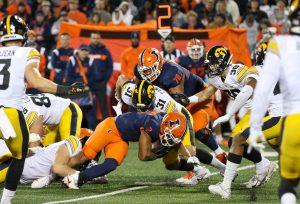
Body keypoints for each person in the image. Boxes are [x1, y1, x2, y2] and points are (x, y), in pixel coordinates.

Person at [0, 15, 84, 204]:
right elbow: (36, 81)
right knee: (19, 156)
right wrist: (66, 89)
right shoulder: (28, 52)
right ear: (23, 33)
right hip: (10, 113)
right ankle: (5, 201)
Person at [186, 45, 278, 198]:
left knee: (238, 141)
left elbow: (248, 88)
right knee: (235, 142)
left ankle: (229, 185)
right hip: (252, 111)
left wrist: (229, 114)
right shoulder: (215, 77)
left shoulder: (238, 70)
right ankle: (263, 166)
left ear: (223, 62)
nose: (211, 66)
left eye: (214, 62)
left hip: (263, 109)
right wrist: (188, 99)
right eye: (210, 63)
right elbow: (208, 92)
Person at [115, 77, 226, 184]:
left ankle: (222, 167)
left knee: (189, 152)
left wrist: (171, 139)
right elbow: (121, 79)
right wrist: (119, 99)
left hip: (178, 118)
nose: (142, 109)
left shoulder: (164, 104)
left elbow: (178, 119)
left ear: (152, 99)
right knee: (170, 164)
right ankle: (199, 171)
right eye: (138, 105)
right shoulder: (128, 93)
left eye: (145, 106)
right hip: (159, 121)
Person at [63, 111, 210, 189]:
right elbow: (143, 155)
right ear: (163, 125)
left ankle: (76, 178)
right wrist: (161, 152)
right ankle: (54, 171)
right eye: (167, 134)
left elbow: (181, 148)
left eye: (171, 137)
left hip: (121, 138)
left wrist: (194, 164)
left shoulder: (167, 128)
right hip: (109, 128)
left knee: (111, 165)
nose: (167, 138)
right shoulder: (151, 125)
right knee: (85, 157)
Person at [135, 48, 227, 165]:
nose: (146, 74)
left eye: (149, 70)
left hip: (197, 98)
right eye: (144, 71)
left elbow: (179, 106)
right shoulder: (141, 71)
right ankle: (219, 154)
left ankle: (197, 169)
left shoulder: (171, 73)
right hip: (180, 101)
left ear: (158, 65)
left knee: (192, 130)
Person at [248, 15, 300, 204]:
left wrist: (254, 126)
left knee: (288, 184)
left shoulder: (280, 45)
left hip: (293, 119)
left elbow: (262, 92)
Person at [65, 44, 95, 129]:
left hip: (86, 89)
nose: (84, 52)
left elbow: (93, 76)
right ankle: (71, 130)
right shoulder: (72, 60)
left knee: (90, 111)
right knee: (73, 111)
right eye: (82, 50)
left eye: (86, 51)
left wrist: (89, 86)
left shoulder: (90, 61)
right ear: (78, 51)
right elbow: (68, 76)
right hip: (75, 89)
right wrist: (76, 87)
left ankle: (92, 132)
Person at [88, 32, 113, 123]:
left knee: (104, 107)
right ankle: (91, 130)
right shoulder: (86, 51)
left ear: (100, 39)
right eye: (94, 38)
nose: (95, 40)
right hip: (89, 84)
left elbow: (110, 67)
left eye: (97, 38)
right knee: (90, 107)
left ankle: (106, 128)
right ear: (90, 39)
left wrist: (104, 80)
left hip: (101, 83)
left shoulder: (105, 51)